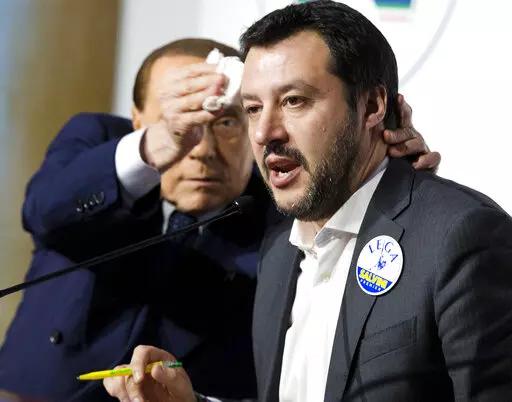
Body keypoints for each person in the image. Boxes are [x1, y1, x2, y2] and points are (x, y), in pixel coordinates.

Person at [103, 2, 512, 402]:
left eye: (293, 101)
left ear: (372, 106)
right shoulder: (277, 250)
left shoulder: (462, 236)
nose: (264, 132)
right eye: (252, 108)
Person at [0, 34, 436, 402]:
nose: (202, 149)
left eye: (227, 122)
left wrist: (385, 179)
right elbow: (43, 210)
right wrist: (154, 146)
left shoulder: (285, 208)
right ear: (138, 120)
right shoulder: (98, 142)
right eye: (181, 119)